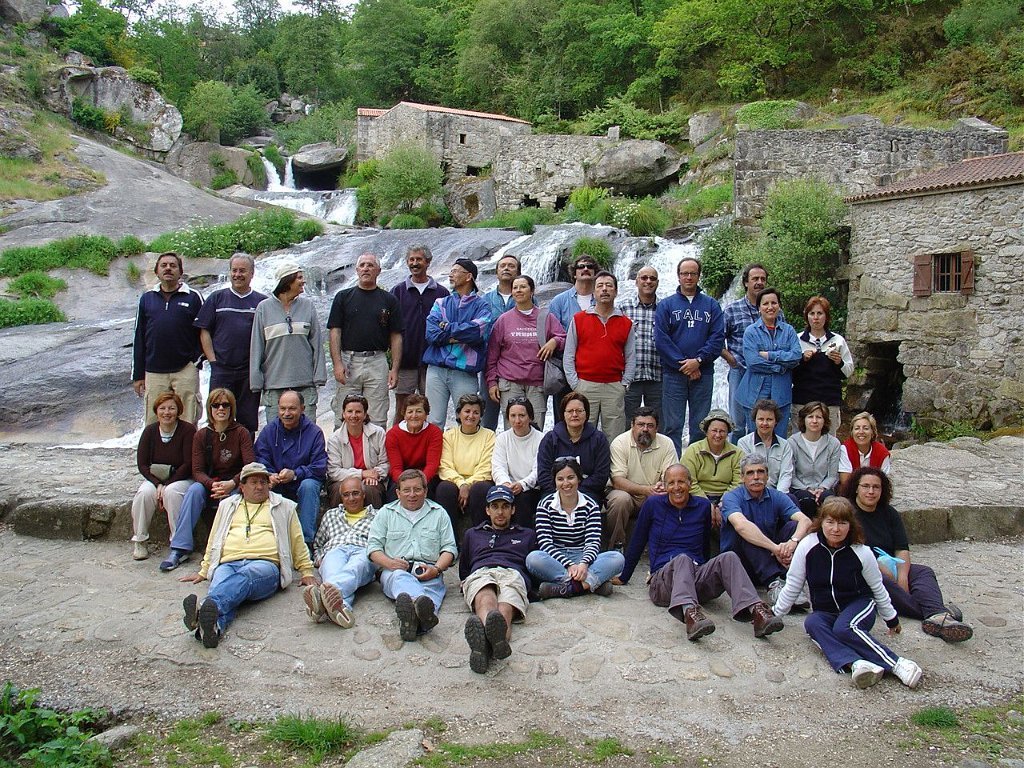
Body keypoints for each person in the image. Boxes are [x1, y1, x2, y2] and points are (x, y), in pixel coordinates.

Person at [617, 464, 783, 641]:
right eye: (671, 483)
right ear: (665, 487)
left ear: (690, 483)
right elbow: (637, 540)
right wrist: (624, 576)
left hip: (695, 577)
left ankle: (757, 612)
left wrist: (706, 570)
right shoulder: (653, 504)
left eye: (681, 481)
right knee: (682, 559)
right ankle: (690, 614)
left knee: (729, 557)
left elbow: (704, 544)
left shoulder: (702, 506)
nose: (676, 487)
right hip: (664, 583)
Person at [772, 497, 924, 689]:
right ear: (821, 523)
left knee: (844, 628)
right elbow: (793, 583)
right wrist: (776, 614)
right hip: (825, 609)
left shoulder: (862, 552)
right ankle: (858, 664)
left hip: (858, 605)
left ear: (850, 525)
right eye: (830, 522)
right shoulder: (808, 545)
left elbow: (877, 587)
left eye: (842, 523)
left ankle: (898, 664)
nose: (835, 529)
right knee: (812, 623)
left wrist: (891, 618)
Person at [179, 462, 316, 648]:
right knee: (225, 590)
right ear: (241, 487)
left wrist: (306, 570)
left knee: (243, 579)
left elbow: (297, 540)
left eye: (263, 482)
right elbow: (215, 537)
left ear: (269, 484)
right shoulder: (227, 505)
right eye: (253, 482)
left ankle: (203, 608)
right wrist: (204, 569)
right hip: (228, 562)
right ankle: (212, 628)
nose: (259, 486)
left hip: (265, 565)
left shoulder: (283, 506)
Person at [845, 467, 972, 642]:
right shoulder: (848, 513)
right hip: (863, 570)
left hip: (891, 564)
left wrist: (903, 577)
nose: (871, 491)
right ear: (856, 488)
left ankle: (936, 616)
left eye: (876, 487)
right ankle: (939, 614)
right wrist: (879, 568)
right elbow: (851, 550)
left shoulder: (889, 513)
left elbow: (902, 548)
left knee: (923, 572)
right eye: (866, 486)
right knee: (880, 581)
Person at [160, 388, 254, 572]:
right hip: (211, 482)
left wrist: (232, 483)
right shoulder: (202, 434)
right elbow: (197, 470)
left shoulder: (242, 433)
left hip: (235, 482)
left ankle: (224, 549)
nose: (221, 408)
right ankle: (180, 548)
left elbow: (249, 466)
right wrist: (212, 484)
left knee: (231, 500)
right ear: (210, 408)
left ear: (231, 408)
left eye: (225, 405)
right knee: (194, 491)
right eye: (216, 405)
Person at [367, 469, 458, 642]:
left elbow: (449, 549)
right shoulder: (385, 513)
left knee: (430, 600)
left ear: (425, 491)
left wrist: (436, 569)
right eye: (406, 490)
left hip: (429, 572)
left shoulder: (439, 513)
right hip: (396, 571)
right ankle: (417, 606)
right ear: (398, 493)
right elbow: (373, 549)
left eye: (417, 489)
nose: (412, 495)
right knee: (403, 580)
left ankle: (414, 621)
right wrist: (390, 563)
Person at [460, 485, 537, 673]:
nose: (500, 512)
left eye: (505, 506)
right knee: (486, 598)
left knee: (504, 610)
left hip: (513, 574)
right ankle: (494, 644)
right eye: (495, 506)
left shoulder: (527, 535)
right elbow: (464, 569)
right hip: (483, 571)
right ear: (487, 510)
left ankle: (483, 648)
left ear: (513, 509)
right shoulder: (473, 534)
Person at [655, 257, 725, 455]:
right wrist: (685, 365)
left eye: (692, 273)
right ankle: (672, 469)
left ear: (698, 276)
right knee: (672, 426)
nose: (688, 277)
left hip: (703, 374)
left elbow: (717, 338)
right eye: (684, 273)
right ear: (678, 276)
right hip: (673, 375)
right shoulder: (666, 305)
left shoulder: (711, 305)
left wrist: (699, 361)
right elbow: (661, 339)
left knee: (699, 426)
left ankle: (695, 468)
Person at [526, 458, 624, 599]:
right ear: (555, 482)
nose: (566, 483)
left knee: (617, 558)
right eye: (560, 479)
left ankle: (570, 588)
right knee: (533, 558)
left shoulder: (590, 505)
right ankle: (591, 584)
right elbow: (545, 543)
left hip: (583, 556)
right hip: (556, 559)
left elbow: (593, 541)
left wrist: (583, 564)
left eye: (570, 477)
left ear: (579, 479)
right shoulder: (545, 505)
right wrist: (569, 565)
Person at [720, 455, 812, 603]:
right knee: (746, 530)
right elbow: (741, 525)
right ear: (742, 477)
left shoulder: (776, 496)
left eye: (760, 472)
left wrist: (792, 542)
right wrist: (776, 549)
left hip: (772, 558)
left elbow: (805, 521)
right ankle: (773, 585)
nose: (756, 477)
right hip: (740, 564)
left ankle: (790, 581)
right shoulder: (731, 497)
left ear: (767, 475)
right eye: (750, 473)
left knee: (793, 527)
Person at [327, 253, 403, 428]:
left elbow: (396, 336)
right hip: (349, 360)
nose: (366, 268)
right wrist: (337, 364)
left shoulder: (389, 300)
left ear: (378, 271)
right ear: (356, 270)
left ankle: (376, 455)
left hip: (377, 361)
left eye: (370, 265)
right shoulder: (343, 297)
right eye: (362, 265)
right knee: (344, 414)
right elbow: (335, 332)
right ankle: (342, 454)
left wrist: (394, 369)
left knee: (377, 415)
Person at [194, 254, 266, 435]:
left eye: (242, 270)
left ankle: (247, 457)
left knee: (248, 418)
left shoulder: (262, 302)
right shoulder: (217, 298)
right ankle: (217, 458)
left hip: (249, 370)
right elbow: (204, 331)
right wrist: (213, 361)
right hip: (222, 369)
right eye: (234, 270)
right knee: (218, 414)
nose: (237, 274)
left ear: (252, 273)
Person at [250, 262, 327, 424]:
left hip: (305, 384)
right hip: (274, 385)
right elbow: (256, 346)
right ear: (287, 280)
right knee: (275, 436)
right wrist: (256, 381)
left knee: (308, 435)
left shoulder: (308, 306)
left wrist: (319, 376)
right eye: (299, 277)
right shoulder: (263, 308)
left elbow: (317, 344)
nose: (303, 281)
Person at [131, 251, 203, 424]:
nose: (168, 269)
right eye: (164, 265)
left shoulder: (193, 297)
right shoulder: (147, 299)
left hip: (185, 368)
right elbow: (139, 336)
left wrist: (197, 360)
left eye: (173, 266)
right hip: (154, 370)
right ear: (157, 271)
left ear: (180, 272)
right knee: (153, 418)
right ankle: (155, 451)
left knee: (188, 417)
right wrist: (138, 375)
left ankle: (188, 451)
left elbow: (205, 331)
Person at [485, 274, 565, 430]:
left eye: (523, 287)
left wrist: (553, 342)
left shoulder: (545, 317)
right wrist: (492, 382)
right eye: (515, 288)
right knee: (512, 429)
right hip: (509, 382)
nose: (518, 290)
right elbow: (492, 354)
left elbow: (563, 337)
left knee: (536, 429)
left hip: (537, 382)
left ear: (532, 291)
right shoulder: (503, 320)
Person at [563, 270, 636, 440]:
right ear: (594, 292)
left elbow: (631, 356)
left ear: (616, 291)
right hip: (585, 385)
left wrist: (625, 384)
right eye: (600, 286)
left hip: (614, 387)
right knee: (582, 434)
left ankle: (613, 468)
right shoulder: (579, 319)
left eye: (609, 286)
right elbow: (569, 354)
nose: (604, 289)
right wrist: (575, 384)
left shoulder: (625, 323)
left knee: (615, 436)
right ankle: (583, 467)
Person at [424, 258, 493, 428]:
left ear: (469, 276)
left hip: (465, 371)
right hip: (436, 370)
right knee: (433, 421)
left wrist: (446, 327)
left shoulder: (482, 305)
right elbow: (431, 334)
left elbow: (477, 333)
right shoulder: (441, 303)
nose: (451, 274)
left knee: (467, 421)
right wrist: (460, 334)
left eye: (455, 271)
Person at [253, 390, 328, 548]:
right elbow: (260, 457)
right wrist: (270, 474)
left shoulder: (314, 433)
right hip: (277, 483)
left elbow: (319, 467)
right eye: (282, 408)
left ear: (302, 408)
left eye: (292, 409)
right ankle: (271, 541)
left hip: (301, 482)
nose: (286, 413)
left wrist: (295, 474)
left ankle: (305, 542)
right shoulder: (269, 431)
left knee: (310, 485)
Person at [303, 476, 379, 629]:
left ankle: (320, 604)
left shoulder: (378, 516)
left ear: (364, 495)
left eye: (356, 493)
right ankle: (341, 608)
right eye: (346, 494)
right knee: (331, 571)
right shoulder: (331, 515)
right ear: (341, 497)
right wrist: (320, 560)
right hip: (334, 550)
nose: (351, 498)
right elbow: (318, 545)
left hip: (363, 551)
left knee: (355, 567)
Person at [130, 392, 196, 561]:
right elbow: (142, 464)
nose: (167, 412)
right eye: (163, 408)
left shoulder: (187, 430)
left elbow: (188, 463)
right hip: (155, 479)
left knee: (172, 493)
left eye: (171, 408)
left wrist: (167, 484)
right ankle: (140, 540)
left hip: (181, 478)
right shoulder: (150, 431)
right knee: (144, 494)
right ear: (156, 411)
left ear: (178, 410)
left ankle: (178, 543)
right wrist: (158, 484)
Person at [391, 245, 449, 426]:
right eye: (411, 260)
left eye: (419, 260)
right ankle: (394, 448)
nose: (415, 264)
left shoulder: (441, 293)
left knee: (429, 408)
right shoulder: (398, 291)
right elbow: (391, 329)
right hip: (405, 362)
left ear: (428, 262)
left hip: (432, 362)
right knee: (402, 407)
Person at [605, 407, 677, 552]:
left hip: (654, 494)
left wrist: (661, 487)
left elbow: (671, 476)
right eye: (640, 424)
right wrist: (646, 490)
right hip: (626, 493)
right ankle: (617, 546)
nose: (645, 429)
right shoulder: (619, 443)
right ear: (632, 425)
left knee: (671, 494)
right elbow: (617, 481)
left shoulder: (667, 443)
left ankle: (665, 547)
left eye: (650, 426)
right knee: (620, 500)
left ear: (657, 428)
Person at [736, 287, 802, 436]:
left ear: (779, 306)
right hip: (753, 393)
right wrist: (780, 367)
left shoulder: (789, 331)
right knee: (755, 438)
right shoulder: (751, 332)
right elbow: (753, 362)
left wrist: (770, 356)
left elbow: (796, 356)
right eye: (765, 304)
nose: (770, 307)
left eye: (774, 303)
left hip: (781, 394)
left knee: (779, 438)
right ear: (759, 308)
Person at [722, 263, 772, 442]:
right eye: (755, 279)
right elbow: (717, 339)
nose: (759, 283)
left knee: (760, 423)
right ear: (745, 283)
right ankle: (735, 466)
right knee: (736, 424)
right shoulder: (732, 309)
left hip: (766, 374)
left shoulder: (773, 310)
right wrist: (732, 360)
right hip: (740, 371)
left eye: (762, 279)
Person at [791, 296, 854, 435]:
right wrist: (802, 359)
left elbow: (849, 371)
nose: (816, 318)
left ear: (826, 316)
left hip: (829, 401)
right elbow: (789, 371)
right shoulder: (796, 339)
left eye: (820, 313)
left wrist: (839, 362)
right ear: (806, 316)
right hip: (803, 400)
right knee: (799, 440)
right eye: (812, 313)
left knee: (829, 441)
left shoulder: (838, 340)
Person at [535, 391, 611, 507]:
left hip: (588, 492)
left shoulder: (598, 439)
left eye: (579, 411)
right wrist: (563, 489)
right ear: (563, 414)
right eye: (570, 411)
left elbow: (601, 475)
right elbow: (543, 474)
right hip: (554, 491)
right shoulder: (550, 439)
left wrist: (574, 489)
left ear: (586, 414)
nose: (574, 415)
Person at [436, 393, 495, 528]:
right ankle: (451, 540)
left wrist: (468, 485)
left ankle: (479, 536)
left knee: (481, 489)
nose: (471, 416)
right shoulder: (449, 435)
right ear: (459, 414)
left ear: (481, 415)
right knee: (444, 489)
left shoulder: (489, 436)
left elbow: (486, 467)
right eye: (467, 411)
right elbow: (445, 466)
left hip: (479, 481)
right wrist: (461, 484)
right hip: (454, 480)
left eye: (476, 412)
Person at [680, 409, 744, 527]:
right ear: (706, 431)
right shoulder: (693, 450)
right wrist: (706, 504)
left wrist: (721, 504)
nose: (718, 435)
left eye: (722, 431)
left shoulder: (737, 453)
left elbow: (739, 482)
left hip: (727, 497)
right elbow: (688, 480)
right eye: (714, 430)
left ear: (727, 432)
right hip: (697, 496)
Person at [480, 253, 522, 430]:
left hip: (516, 363)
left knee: (514, 413)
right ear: (496, 272)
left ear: (518, 272)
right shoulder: (485, 300)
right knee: (487, 413)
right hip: (489, 361)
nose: (506, 268)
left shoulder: (526, 297)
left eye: (511, 266)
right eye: (502, 265)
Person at [325, 393, 389, 509]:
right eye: (350, 411)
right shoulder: (335, 439)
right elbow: (333, 471)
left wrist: (375, 475)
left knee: (370, 490)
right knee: (342, 490)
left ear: (365, 415)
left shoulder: (378, 433)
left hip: (372, 480)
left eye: (358, 412)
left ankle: (373, 525)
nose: (354, 415)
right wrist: (362, 474)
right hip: (343, 480)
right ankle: (338, 524)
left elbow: (385, 463)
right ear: (343, 414)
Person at [490, 397, 545, 529]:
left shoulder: (541, 438)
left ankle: (522, 539)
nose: (517, 420)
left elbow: (539, 469)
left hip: (531, 488)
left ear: (530, 417)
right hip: (507, 486)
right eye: (513, 416)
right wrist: (505, 484)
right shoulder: (503, 438)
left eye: (522, 415)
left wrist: (522, 484)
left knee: (522, 499)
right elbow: (498, 466)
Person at [618, 266, 662, 426]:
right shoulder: (623, 308)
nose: (648, 281)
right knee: (627, 423)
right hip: (630, 377)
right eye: (644, 278)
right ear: (636, 281)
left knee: (657, 423)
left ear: (657, 282)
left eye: (652, 278)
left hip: (657, 375)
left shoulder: (665, 308)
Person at [787, 402, 842, 519]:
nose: (814, 421)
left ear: (825, 420)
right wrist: (807, 489)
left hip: (824, 487)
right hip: (799, 487)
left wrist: (821, 489)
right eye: (810, 416)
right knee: (807, 500)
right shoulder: (792, 442)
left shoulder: (833, 443)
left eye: (819, 417)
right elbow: (791, 475)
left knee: (828, 500)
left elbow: (832, 475)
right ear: (804, 420)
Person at [384, 394, 444, 497]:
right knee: (394, 492)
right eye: (410, 412)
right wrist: (406, 485)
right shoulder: (393, 434)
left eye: (419, 411)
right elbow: (395, 467)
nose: (414, 415)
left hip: (426, 476)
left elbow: (432, 465)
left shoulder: (434, 432)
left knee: (430, 491)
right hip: (402, 475)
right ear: (404, 414)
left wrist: (419, 483)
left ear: (426, 414)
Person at [737, 399, 794, 493]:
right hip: (752, 492)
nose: (764, 423)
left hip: (777, 493)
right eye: (761, 419)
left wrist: (778, 497)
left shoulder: (785, 445)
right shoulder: (744, 443)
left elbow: (786, 474)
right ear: (755, 420)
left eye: (769, 419)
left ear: (776, 421)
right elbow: (745, 473)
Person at [838, 411, 891, 493]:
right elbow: (845, 481)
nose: (861, 432)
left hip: (874, 494)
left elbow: (883, 481)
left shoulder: (882, 452)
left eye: (866, 428)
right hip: (850, 493)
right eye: (857, 428)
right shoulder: (845, 449)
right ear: (852, 432)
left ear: (873, 432)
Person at [548, 253, 598, 335]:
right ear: (574, 274)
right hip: (568, 347)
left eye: (590, 266)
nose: (585, 269)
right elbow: (553, 333)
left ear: (595, 274)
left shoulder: (602, 300)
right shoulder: (559, 301)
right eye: (581, 267)